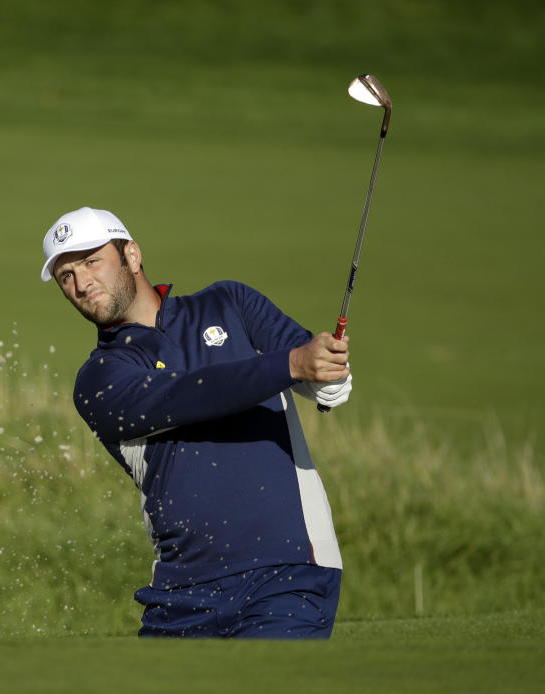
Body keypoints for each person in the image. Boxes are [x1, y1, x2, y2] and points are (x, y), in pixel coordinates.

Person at [40, 206, 353, 639]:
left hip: (289, 570)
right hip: (181, 594)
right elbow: (191, 393)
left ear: (131, 255)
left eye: (92, 262)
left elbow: (318, 376)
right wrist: (293, 365)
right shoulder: (98, 380)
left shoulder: (230, 303)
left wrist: (330, 375)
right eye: (66, 277)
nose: (82, 284)